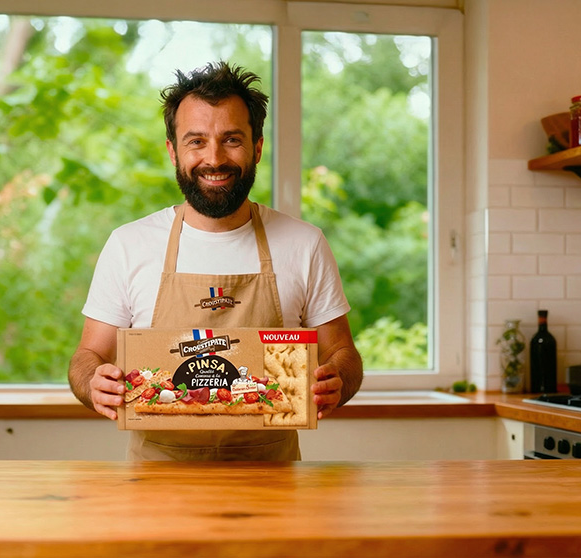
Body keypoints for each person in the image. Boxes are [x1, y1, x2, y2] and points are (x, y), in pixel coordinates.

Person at [68, 61, 363, 461]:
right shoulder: (129, 244)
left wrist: (338, 379)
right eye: (196, 141)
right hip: (156, 478)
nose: (214, 158)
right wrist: (94, 382)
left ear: (257, 147)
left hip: (272, 477)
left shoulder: (304, 243)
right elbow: (88, 356)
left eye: (232, 140)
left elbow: (342, 352)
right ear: (173, 151)